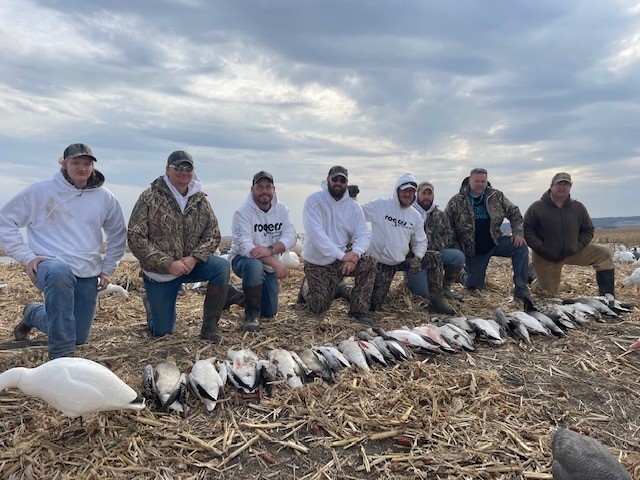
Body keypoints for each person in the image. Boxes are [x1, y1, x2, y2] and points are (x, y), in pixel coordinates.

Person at [0, 143, 127, 359]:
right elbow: (5, 221)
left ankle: (33, 312)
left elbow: (117, 234)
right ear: (64, 163)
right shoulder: (39, 192)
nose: (82, 168)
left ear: (93, 167)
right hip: (49, 266)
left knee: (77, 335)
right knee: (60, 273)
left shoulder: (105, 197)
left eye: (87, 163)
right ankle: (62, 357)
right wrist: (27, 256)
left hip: (86, 270)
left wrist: (107, 269)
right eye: (75, 162)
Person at [128, 150, 230, 341]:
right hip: (161, 273)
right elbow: (135, 237)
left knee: (221, 267)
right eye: (178, 167)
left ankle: (210, 327)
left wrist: (194, 258)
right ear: (168, 170)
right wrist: (167, 263)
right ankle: (152, 306)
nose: (184, 171)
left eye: (188, 167)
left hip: (191, 266)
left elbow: (213, 234)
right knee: (163, 333)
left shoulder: (200, 200)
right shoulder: (149, 197)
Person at [359, 174, 456, 314]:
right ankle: (345, 291)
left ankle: (436, 301)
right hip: (381, 262)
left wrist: (418, 257)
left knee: (435, 257)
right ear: (397, 190)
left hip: (402, 259)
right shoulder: (380, 205)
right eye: (404, 190)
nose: (407, 194)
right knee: (373, 306)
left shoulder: (414, 215)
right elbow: (357, 213)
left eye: (411, 191)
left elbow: (421, 240)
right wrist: (351, 198)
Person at [299, 166, 377, 324]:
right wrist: (342, 255)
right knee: (318, 308)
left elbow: (363, 234)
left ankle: (358, 310)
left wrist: (354, 255)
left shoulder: (354, 207)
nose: (338, 183)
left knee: (369, 261)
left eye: (342, 181)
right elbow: (316, 236)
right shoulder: (314, 201)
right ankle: (306, 286)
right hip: (318, 262)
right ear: (328, 180)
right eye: (335, 179)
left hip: (342, 259)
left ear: (346, 184)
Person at [445, 168, 531, 302]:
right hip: (473, 250)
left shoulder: (496, 196)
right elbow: (447, 224)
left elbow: (514, 213)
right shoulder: (457, 201)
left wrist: (518, 233)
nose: (480, 184)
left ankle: (521, 289)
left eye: (483, 181)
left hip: (495, 241)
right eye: (477, 181)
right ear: (469, 181)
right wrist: (455, 245)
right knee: (475, 286)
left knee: (520, 247)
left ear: (487, 181)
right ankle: (462, 276)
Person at [523, 172, 615, 296]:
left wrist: (577, 246)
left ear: (570, 187)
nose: (563, 187)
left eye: (566, 184)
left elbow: (588, 230)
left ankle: (607, 298)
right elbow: (528, 231)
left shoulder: (577, 208)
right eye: (559, 184)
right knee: (548, 294)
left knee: (604, 253)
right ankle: (534, 276)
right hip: (547, 256)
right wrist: (542, 249)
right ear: (551, 186)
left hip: (573, 252)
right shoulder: (537, 208)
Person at [227, 171, 298, 332]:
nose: (264, 191)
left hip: (267, 262)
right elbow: (245, 247)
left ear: (274, 189)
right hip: (242, 260)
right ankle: (251, 315)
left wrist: (270, 250)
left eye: (268, 187)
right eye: (260, 187)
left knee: (270, 311)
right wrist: (274, 261)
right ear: (252, 189)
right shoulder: (242, 213)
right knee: (254, 266)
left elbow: (291, 237)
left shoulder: (282, 210)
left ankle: (233, 295)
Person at [407, 181, 466, 302]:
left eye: (430, 193)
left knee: (458, 257)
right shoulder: (408, 213)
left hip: (436, 254)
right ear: (418, 194)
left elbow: (449, 235)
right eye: (424, 193)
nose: (427, 196)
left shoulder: (439, 215)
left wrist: (434, 244)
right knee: (423, 295)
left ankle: (445, 287)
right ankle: (411, 280)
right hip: (415, 258)